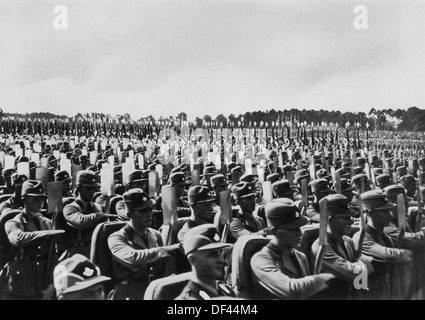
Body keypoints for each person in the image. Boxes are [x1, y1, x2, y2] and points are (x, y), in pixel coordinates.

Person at [250, 198, 335, 300]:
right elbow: (291, 290)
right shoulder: (261, 259)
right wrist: (323, 279)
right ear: (275, 231)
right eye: (292, 229)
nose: (300, 233)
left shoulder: (300, 257)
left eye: (299, 228)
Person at [108, 188, 180, 300]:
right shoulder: (118, 237)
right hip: (128, 292)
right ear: (129, 214)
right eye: (142, 211)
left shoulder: (155, 234)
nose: (149, 214)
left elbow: (164, 265)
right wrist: (164, 250)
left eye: (150, 209)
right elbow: (133, 259)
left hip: (153, 289)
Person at [2, 180, 64, 300]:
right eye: (34, 199)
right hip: (20, 285)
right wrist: (47, 233)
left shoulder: (47, 222)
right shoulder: (13, 222)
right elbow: (17, 239)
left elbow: (53, 257)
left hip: (43, 283)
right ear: (24, 199)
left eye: (42, 199)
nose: (39, 202)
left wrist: (52, 285)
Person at [352, 190, 413, 299]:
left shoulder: (385, 237)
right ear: (370, 213)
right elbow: (386, 254)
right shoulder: (361, 237)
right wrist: (412, 254)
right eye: (384, 212)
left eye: (389, 210)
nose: (390, 215)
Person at [311, 194, 374, 300]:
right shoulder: (321, 247)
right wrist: (363, 265)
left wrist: (361, 267)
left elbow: (361, 279)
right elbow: (353, 273)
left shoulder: (347, 241)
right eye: (346, 218)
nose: (351, 221)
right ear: (331, 220)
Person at [63, 170, 116, 258]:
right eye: (88, 188)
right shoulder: (70, 208)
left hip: (96, 251)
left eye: (94, 188)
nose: (92, 192)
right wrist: (100, 216)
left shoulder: (98, 207)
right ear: (78, 188)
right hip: (77, 254)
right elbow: (81, 222)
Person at [175, 224, 235, 300]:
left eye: (221, 252)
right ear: (192, 260)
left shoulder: (227, 291)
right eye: (213, 255)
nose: (221, 260)